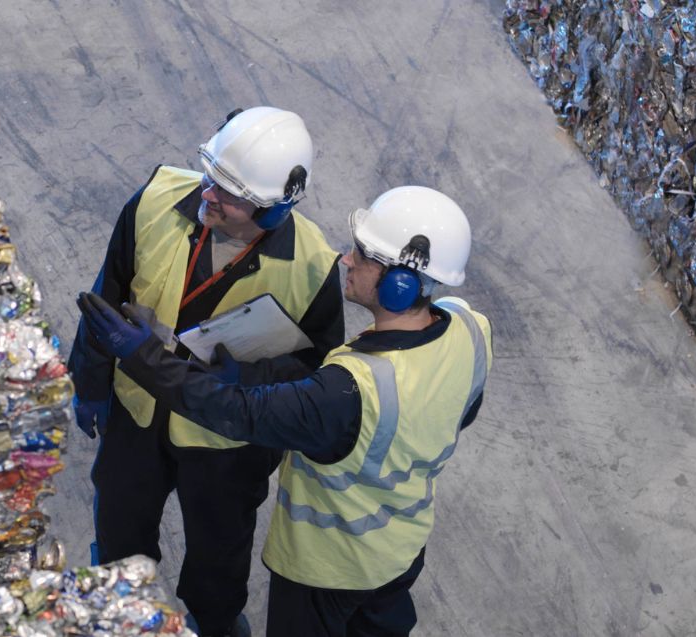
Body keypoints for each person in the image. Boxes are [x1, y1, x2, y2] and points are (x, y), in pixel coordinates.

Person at [77, 185, 490, 637]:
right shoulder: (469, 328)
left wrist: (142, 356)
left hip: (329, 568)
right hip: (400, 551)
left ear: (402, 284)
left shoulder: (351, 388)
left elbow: (233, 411)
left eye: (364, 254)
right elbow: (461, 410)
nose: (346, 259)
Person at [67, 106, 344, 636]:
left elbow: (319, 372)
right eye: (210, 176)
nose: (207, 195)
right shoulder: (155, 199)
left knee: (219, 553)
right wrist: (91, 382)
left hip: (227, 442)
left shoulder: (313, 267)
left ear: (270, 212)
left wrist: (244, 380)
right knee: (121, 527)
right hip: (139, 412)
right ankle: (122, 612)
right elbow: (108, 293)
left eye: (228, 192)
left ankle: (215, 622)